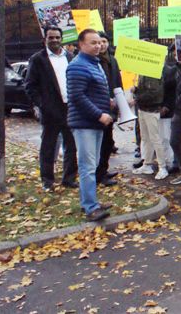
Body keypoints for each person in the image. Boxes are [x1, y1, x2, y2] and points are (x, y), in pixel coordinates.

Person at [66, 29, 112, 221]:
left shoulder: (95, 64)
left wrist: (108, 102)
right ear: (81, 45)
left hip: (95, 124)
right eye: (93, 43)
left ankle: (91, 201)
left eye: (99, 42)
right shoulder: (77, 66)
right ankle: (90, 207)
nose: (98, 45)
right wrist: (99, 114)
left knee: (92, 164)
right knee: (87, 166)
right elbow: (77, 97)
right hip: (86, 123)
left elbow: (93, 91)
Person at [25, 26, 78, 191]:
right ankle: (47, 181)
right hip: (50, 110)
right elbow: (30, 86)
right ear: (45, 39)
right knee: (48, 146)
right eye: (51, 37)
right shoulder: (37, 59)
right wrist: (42, 105)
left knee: (71, 145)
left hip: (70, 108)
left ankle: (69, 179)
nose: (54, 40)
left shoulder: (70, 57)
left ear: (61, 39)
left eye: (57, 37)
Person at [95, 32, 121, 187]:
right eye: (99, 41)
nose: (102, 44)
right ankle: (99, 174)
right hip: (100, 108)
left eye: (104, 41)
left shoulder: (112, 60)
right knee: (101, 142)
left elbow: (117, 80)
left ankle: (103, 170)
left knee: (108, 141)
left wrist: (120, 101)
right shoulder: (94, 61)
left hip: (112, 106)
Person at [132, 72, 169, 180]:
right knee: (145, 138)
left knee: (155, 138)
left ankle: (162, 167)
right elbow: (145, 89)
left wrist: (137, 98)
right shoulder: (143, 72)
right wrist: (136, 89)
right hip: (143, 108)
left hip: (152, 109)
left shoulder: (155, 73)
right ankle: (147, 164)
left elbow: (155, 93)